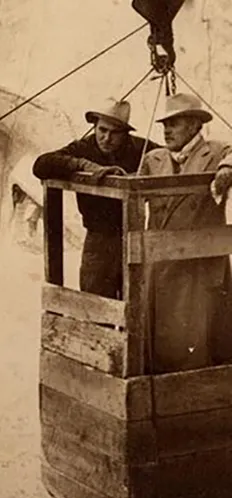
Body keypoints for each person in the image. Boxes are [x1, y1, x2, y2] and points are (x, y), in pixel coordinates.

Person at [137, 92, 232, 374]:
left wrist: (227, 168)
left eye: (174, 123)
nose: (166, 130)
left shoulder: (215, 152)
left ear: (194, 125)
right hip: (162, 266)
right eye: (165, 124)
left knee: (200, 339)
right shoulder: (153, 158)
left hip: (199, 267)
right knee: (161, 338)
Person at [32, 98, 162, 299]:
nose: (106, 138)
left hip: (133, 238)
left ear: (125, 134)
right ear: (94, 127)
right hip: (97, 241)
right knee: (95, 302)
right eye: (102, 130)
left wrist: (143, 174)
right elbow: (41, 165)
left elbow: (171, 157)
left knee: (137, 303)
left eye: (114, 133)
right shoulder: (84, 147)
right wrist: (83, 165)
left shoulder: (140, 148)